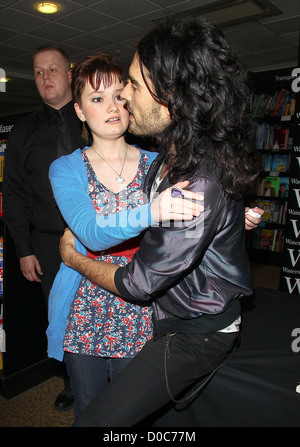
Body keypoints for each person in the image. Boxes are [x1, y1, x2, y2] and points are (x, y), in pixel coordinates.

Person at [58, 15, 260, 427]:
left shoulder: (195, 176)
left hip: (195, 332)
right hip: (169, 315)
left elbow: (138, 282)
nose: (123, 98)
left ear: (169, 92)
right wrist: (227, 223)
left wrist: (73, 259)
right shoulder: (174, 151)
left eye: (131, 84)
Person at [46, 51, 203, 417]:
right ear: (81, 111)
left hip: (142, 306)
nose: (113, 106)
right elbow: (91, 233)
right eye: (97, 98)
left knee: (134, 413)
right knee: (90, 409)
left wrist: (231, 216)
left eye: (119, 94)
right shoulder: (66, 168)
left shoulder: (159, 162)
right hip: (85, 308)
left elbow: (192, 211)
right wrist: (154, 210)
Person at [3, 45, 87, 411]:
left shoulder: (94, 117)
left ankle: (112, 379)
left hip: (99, 241)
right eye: (38, 72)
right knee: (62, 319)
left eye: (52, 70)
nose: (45, 78)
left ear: (69, 75)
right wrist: (23, 248)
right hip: (48, 245)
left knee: (103, 311)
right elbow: (15, 194)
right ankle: (73, 383)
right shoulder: (22, 132)